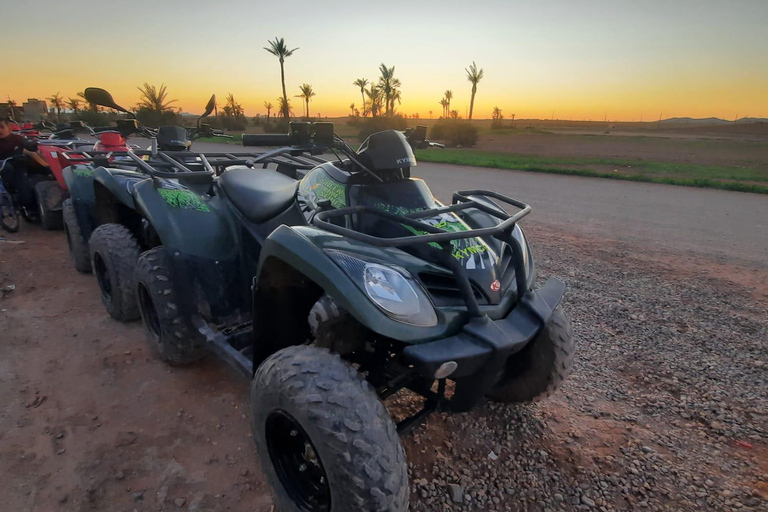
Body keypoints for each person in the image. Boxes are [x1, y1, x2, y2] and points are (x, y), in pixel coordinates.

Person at [0, 117, 50, 214]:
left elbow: (31, 151)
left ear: (9, 128)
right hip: (3, 171)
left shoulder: (17, 140)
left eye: (1, 127)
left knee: (25, 192)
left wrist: (46, 165)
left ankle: (31, 209)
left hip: (18, 169)